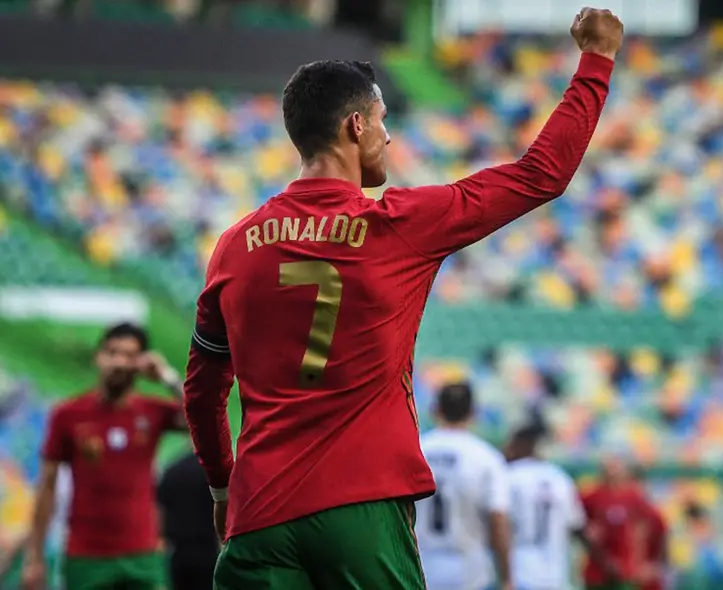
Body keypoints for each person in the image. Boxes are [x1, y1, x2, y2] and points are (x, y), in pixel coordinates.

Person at [181, 6, 622, 590]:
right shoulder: (400, 223)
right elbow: (541, 174)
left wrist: (220, 484)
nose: (388, 134)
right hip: (361, 505)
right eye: (382, 118)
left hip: (258, 516)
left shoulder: (234, 247)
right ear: (355, 127)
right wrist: (597, 61)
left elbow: (203, 390)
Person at [21, 323, 186, 590]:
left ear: (141, 363)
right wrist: (34, 557)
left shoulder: (153, 412)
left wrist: (167, 377)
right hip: (86, 556)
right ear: (98, 356)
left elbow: (203, 420)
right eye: (112, 352)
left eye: (129, 355)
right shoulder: (68, 414)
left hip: (143, 554)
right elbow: (47, 487)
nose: (119, 362)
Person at [415, 382, 512, 590]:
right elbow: (498, 519)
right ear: (473, 413)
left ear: (435, 410)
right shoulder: (486, 457)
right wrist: (506, 576)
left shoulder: (417, 451)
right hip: (470, 570)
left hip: (421, 566)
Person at [505, 425, 603, 590]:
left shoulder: (510, 476)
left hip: (520, 571)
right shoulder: (560, 478)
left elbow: (497, 521)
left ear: (523, 444)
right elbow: (577, 527)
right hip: (554, 575)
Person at [581, 456, 650, 590]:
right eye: (608, 468)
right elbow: (579, 523)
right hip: (598, 567)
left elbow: (643, 526)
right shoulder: (592, 496)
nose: (612, 473)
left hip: (625, 567)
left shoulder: (633, 496)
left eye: (615, 468)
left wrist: (639, 560)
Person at [157, 452, 219, 590]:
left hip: (179, 554)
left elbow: (160, 513)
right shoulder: (214, 472)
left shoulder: (172, 470)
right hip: (208, 552)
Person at [630, 470, 669, 590]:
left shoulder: (653, 514)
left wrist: (655, 566)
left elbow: (663, 544)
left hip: (647, 579)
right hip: (623, 576)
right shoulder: (617, 513)